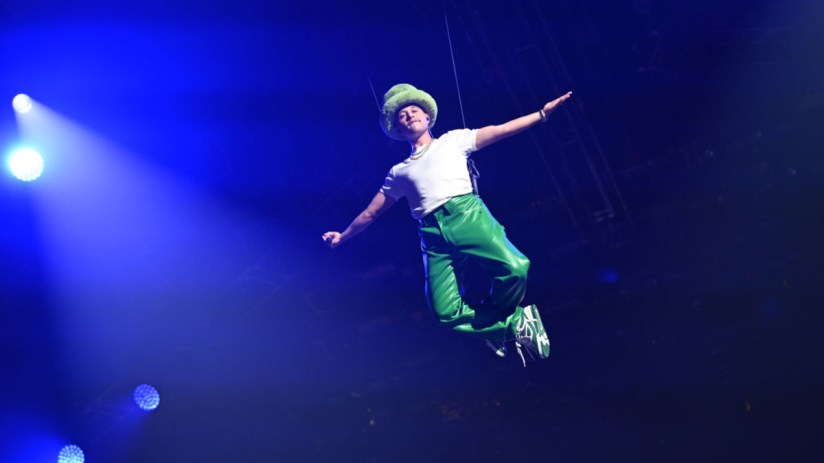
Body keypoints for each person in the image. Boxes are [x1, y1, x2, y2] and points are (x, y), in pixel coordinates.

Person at [322, 83, 572, 366]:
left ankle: (500, 322)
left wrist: (541, 114)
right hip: (431, 234)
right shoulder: (398, 172)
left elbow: (501, 130)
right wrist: (343, 236)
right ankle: (510, 326)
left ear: (428, 117)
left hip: (466, 215)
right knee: (444, 312)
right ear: (398, 128)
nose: (410, 114)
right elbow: (370, 213)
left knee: (515, 268)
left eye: (415, 110)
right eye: (403, 115)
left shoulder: (453, 141)